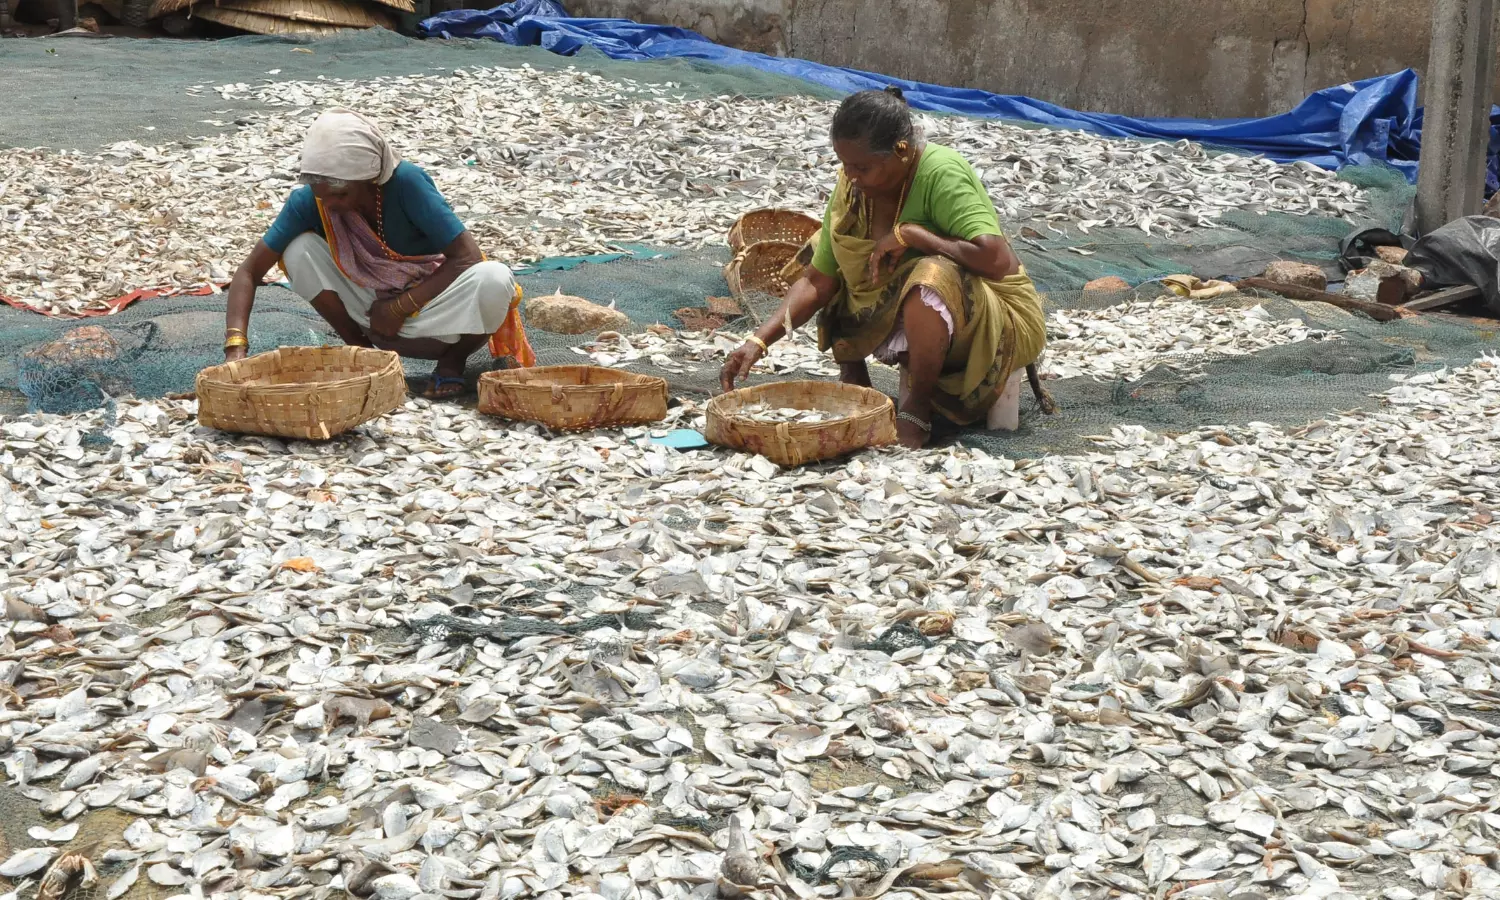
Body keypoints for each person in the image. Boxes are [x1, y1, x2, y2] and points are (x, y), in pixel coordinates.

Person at [719, 87, 1049, 448]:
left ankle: (916, 408)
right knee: (834, 246)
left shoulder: (942, 173)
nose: (851, 176)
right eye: (844, 163)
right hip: (903, 308)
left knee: (931, 275)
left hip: (995, 317)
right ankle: (854, 373)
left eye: (862, 167)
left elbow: (996, 261)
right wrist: (757, 342)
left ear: (901, 152)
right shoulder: (852, 185)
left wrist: (914, 236)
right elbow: (818, 280)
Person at [222, 107, 532, 399]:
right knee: (297, 249)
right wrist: (235, 350)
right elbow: (249, 272)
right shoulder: (311, 202)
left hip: (434, 307)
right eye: (322, 196)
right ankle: (367, 356)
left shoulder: (407, 183)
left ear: (370, 179)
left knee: (495, 278)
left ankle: (453, 362)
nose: (330, 205)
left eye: (341, 194)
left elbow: (467, 257)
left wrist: (398, 308)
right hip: (369, 309)